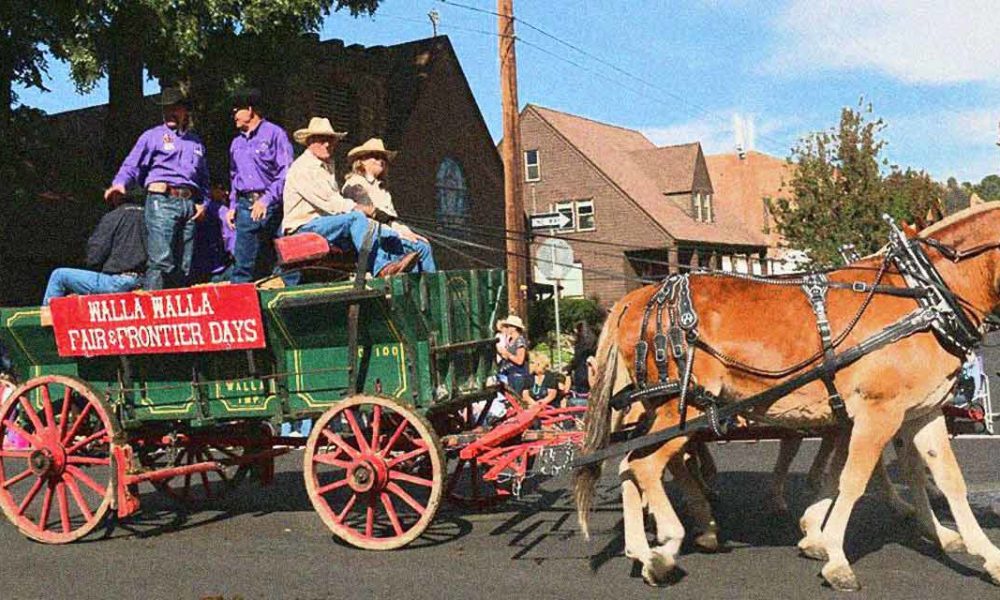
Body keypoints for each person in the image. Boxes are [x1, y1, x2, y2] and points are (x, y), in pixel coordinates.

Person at [281, 117, 416, 283]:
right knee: (357, 218)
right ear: (310, 141)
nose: (327, 144)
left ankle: (401, 274)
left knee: (383, 232)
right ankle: (382, 269)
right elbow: (332, 204)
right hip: (303, 226)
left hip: (325, 224)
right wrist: (368, 210)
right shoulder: (304, 168)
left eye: (330, 140)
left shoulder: (326, 166)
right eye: (322, 140)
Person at [105, 87, 210, 290]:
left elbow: (204, 179)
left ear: (184, 111)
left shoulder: (196, 142)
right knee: (161, 261)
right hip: (162, 200)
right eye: (166, 108)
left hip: (189, 205)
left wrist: (202, 204)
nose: (169, 112)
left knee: (184, 264)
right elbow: (131, 164)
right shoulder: (151, 136)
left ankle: (178, 313)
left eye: (174, 108)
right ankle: (153, 308)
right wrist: (119, 184)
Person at [226, 89, 293, 283]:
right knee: (243, 266)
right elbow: (234, 177)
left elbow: (285, 172)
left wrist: (266, 200)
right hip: (245, 207)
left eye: (237, 110)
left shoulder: (275, 134)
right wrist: (232, 207)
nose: (234, 115)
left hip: (274, 207)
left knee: (282, 262)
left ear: (250, 110)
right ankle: (239, 310)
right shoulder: (236, 143)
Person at [341, 138, 436, 275]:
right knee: (420, 248)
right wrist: (400, 234)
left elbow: (392, 219)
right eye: (375, 156)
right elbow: (370, 216)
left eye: (383, 158)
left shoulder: (382, 189)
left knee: (421, 243)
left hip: (389, 232)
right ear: (361, 161)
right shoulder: (355, 185)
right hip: (372, 237)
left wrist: (408, 232)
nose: (381, 160)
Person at [42, 198, 146, 305]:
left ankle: (47, 318)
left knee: (59, 275)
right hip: (146, 282)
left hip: (119, 282)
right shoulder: (154, 216)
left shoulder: (114, 216)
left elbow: (95, 256)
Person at [496, 315, 529, 395]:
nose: (506, 328)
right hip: (508, 374)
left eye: (508, 326)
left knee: (517, 399)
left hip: (518, 376)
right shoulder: (510, 340)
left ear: (514, 328)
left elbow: (520, 360)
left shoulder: (520, 341)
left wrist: (507, 353)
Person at [567, 320, 597, 394]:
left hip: (581, 373)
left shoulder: (580, 346)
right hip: (590, 372)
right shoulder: (592, 344)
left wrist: (569, 368)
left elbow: (576, 360)